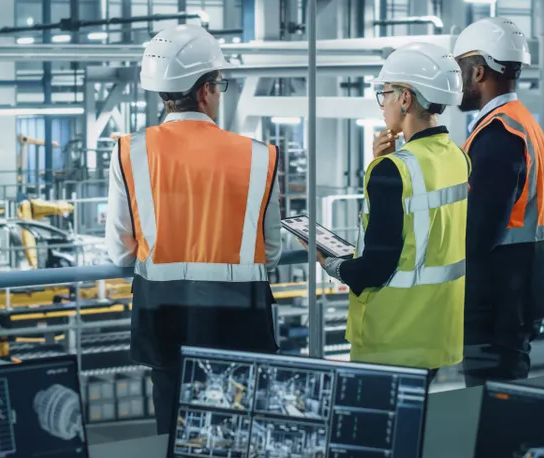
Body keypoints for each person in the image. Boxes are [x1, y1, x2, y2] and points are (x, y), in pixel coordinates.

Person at [105, 24, 282, 435]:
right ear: (205, 90)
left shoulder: (128, 152)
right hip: (242, 322)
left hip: (164, 324)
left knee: (172, 447)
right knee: (241, 442)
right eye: (219, 84)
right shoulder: (260, 158)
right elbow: (270, 251)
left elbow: (120, 253)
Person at [319, 42, 469, 375]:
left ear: (406, 98)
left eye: (385, 94)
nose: (382, 104)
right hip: (437, 334)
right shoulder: (457, 158)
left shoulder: (391, 170)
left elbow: (375, 267)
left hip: (392, 339)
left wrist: (329, 263)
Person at [451, 16, 544, 386]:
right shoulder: (522, 122)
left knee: (492, 402)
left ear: (480, 72)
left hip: (497, 296)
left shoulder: (499, 134)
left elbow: (479, 231)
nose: (458, 83)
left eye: (461, 71)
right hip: (521, 287)